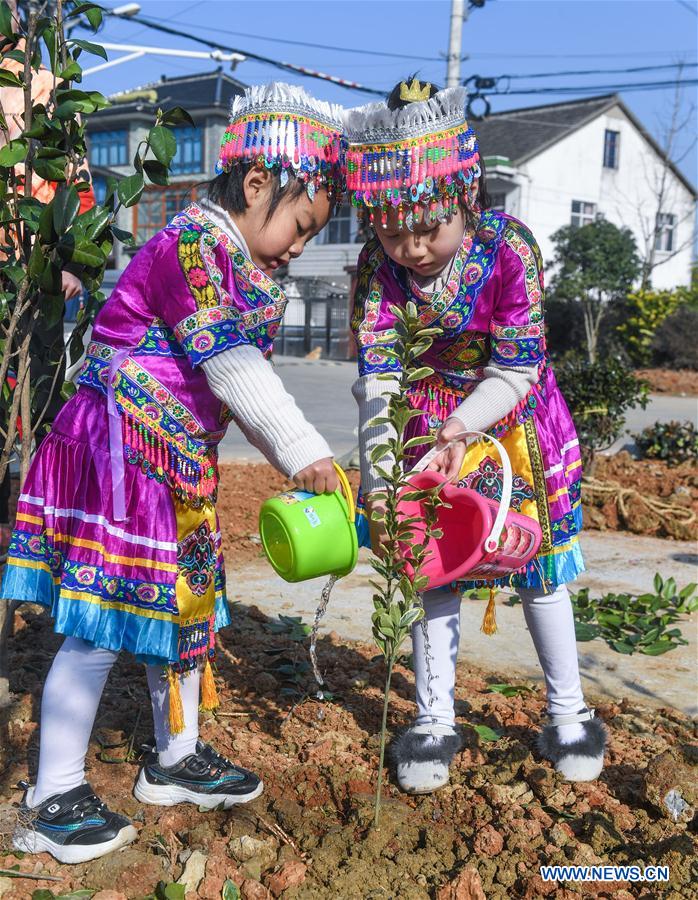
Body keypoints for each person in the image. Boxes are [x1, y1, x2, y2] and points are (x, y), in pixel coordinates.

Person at [1, 82, 343, 863]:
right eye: (300, 224)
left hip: (176, 461)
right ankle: (54, 790)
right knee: (97, 623)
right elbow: (230, 364)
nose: (298, 245)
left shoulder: (242, 257)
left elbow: (229, 376)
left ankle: (178, 757)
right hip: (121, 452)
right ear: (257, 186)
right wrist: (303, 450)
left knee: (184, 610)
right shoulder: (192, 245)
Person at [344, 79, 607, 795]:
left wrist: (464, 424)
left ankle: (569, 712)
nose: (413, 248)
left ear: (466, 201)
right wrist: (381, 477)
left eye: (428, 228)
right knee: (432, 566)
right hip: (423, 431)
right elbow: (379, 376)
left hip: (509, 420)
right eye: (393, 232)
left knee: (539, 569)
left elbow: (519, 363)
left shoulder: (510, 248)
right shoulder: (377, 269)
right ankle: (433, 720)